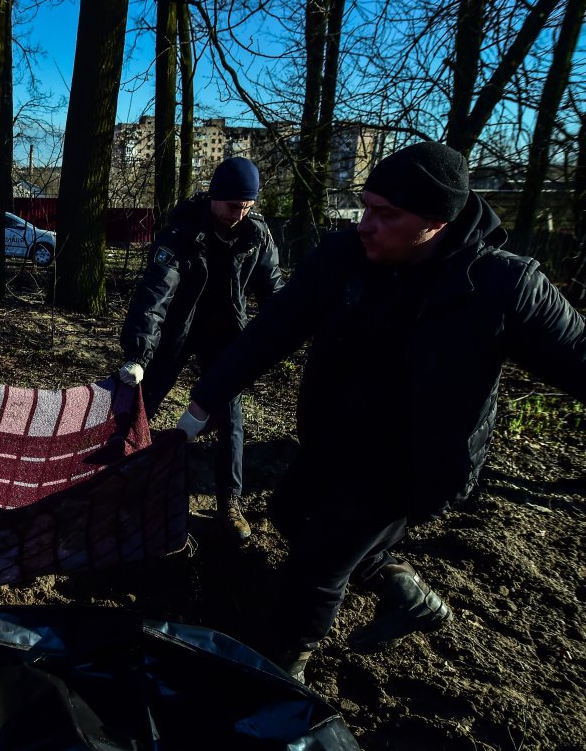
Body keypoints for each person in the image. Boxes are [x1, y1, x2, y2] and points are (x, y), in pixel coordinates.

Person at [175, 141, 586, 682]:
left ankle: (285, 673)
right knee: (289, 513)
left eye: (386, 214)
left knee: (317, 566)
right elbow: (270, 332)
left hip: (415, 459)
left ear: (438, 221)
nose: (365, 223)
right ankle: (405, 592)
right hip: (336, 438)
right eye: (366, 206)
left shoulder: (502, 285)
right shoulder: (341, 258)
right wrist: (198, 409)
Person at [116, 157, 283, 540]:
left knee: (231, 416)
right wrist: (139, 353)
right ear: (213, 197)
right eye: (231, 205)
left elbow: (273, 292)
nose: (237, 214)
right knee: (142, 399)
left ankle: (230, 501)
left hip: (227, 338)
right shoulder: (183, 232)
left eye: (246, 206)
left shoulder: (256, 236)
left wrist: (272, 339)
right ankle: (108, 475)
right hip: (178, 331)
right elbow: (156, 292)